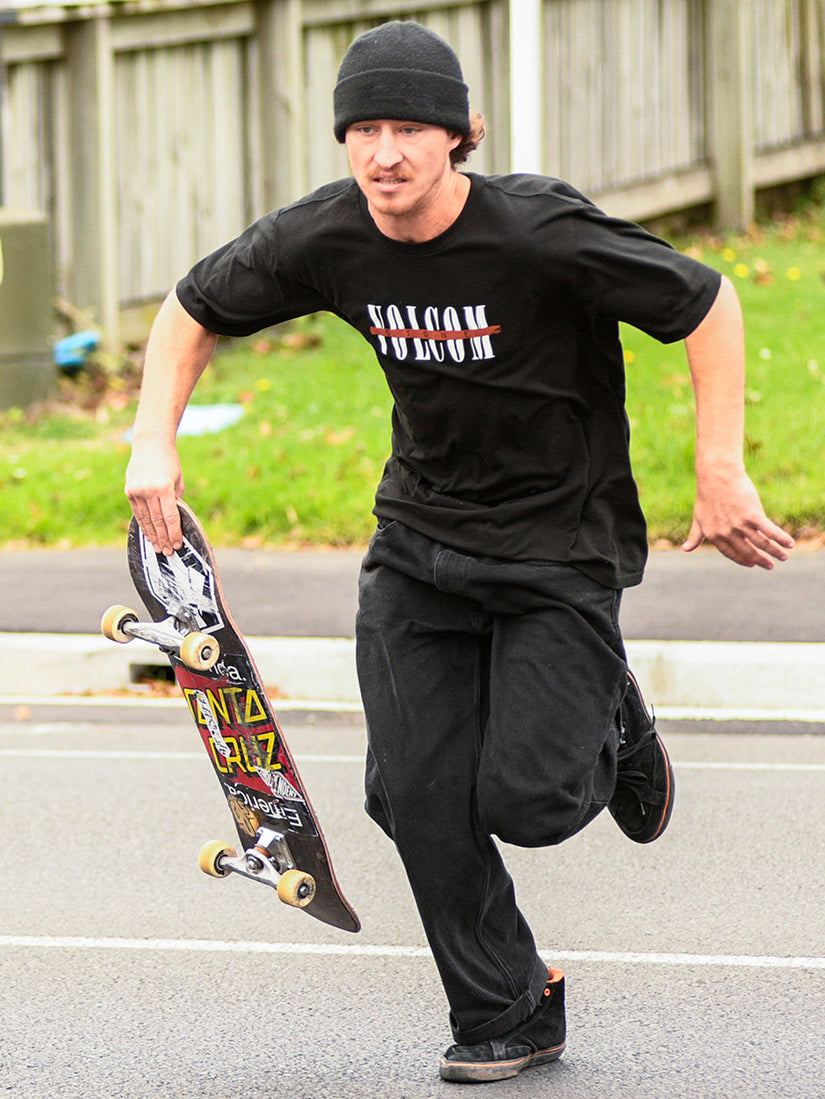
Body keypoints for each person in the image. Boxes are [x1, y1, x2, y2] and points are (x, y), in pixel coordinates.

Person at [125, 20, 794, 1083]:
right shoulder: (329, 235)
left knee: (524, 799)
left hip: (558, 548)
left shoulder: (537, 234)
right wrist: (151, 441)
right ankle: (508, 1007)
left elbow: (707, 301)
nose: (386, 153)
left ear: (460, 136)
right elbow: (191, 308)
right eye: (367, 129)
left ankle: (609, 714)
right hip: (420, 547)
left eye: (411, 129)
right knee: (413, 793)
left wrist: (719, 468)